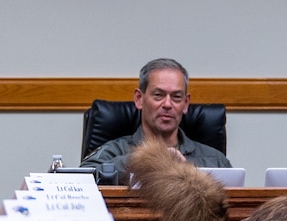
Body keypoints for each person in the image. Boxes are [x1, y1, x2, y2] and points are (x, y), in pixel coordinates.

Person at [81, 58, 231, 182]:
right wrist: (148, 159)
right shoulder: (114, 151)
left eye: (176, 97)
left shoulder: (215, 160)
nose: (167, 104)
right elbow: (80, 180)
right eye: (158, 95)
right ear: (139, 99)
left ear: (185, 103)